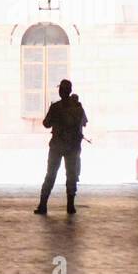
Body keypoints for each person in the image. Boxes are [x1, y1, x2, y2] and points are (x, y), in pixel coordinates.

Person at [34, 79, 87, 215]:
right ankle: (70, 206)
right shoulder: (77, 107)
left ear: (60, 91)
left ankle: (43, 205)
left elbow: (46, 124)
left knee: (50, 175)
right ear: (70, 91)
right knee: (72, 175)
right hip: (73, 148)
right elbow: (84, 123)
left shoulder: (56, 107)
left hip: (57, 146)